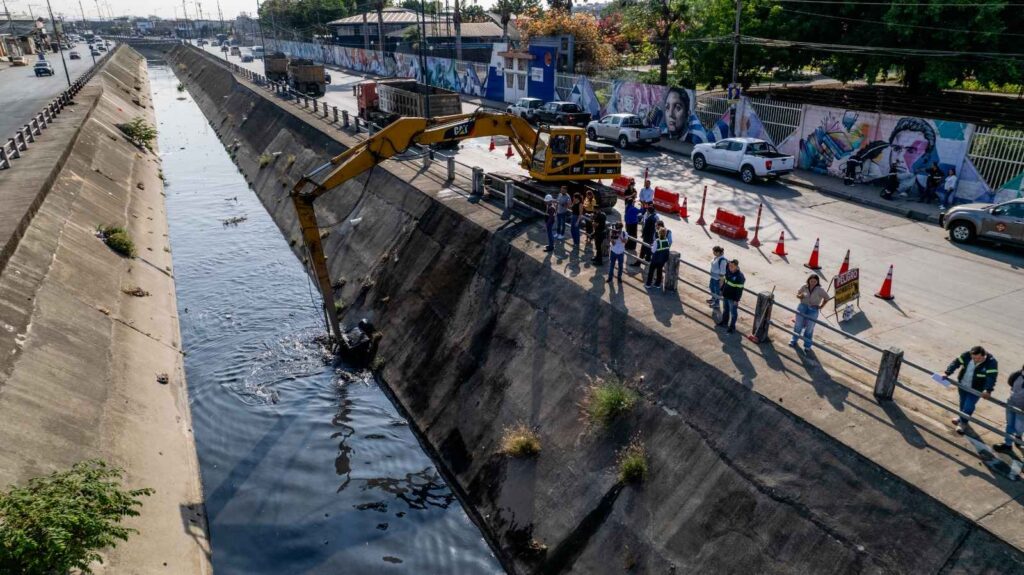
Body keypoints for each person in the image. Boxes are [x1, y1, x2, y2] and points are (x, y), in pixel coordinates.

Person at [943, 346, 999, 435]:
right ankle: (961, 418)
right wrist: (947, 373)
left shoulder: (991, 362)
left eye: (979, 358)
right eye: (974, 358)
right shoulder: (966, 355)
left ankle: (963, 423)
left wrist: (988, 390)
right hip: (963, 384)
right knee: (962, 402)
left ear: (984, 355)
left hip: (976, 389)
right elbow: (956, 363)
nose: (976, 360)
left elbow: (991, 377)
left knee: (969, 405)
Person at [888, 117, 938, 198]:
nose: (899, 159)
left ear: (926, 158)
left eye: (911, 151)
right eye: (896, 148)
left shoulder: (922, 193)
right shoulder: (877, 182)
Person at [790, 275, 830, 352]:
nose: (813, 283)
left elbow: (827, 298)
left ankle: (807, 345)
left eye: (815, 281)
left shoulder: (820, 290)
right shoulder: (804, 286)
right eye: (811, 281)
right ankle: (794, 340)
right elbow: (798, 294)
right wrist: (800, 296)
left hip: (813, 309)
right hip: (802, 307)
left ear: (817, 282)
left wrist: (821, 306)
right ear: (808, 280)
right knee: (798, 325)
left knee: (809, 328)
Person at [994, 365, 1024, 454]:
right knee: (1010, 424)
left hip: (1022, 410)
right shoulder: (1016, 375)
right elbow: (1010, 383)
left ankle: (1018, 436)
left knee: (1019, 427)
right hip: (1011, 403)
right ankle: (1008, 444)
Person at [718, 259, 745, 333]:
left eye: (732, 266)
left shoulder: (740, 277)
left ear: (736, 266)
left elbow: (739, 290)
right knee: (725, 310)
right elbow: (725, 282)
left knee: (733, 313)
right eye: (729, 266)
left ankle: (732, 327)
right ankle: (724, 322)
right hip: (726, 295)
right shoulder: (728, 271)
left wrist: (737, 300)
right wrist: (721, 290)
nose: (730, 267)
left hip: (732, 299)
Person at [707, 246, 728, 311]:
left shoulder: (722, 260)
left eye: (714, 252)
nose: (713, 253)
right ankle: (713, 299)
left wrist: (721, 282)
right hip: (713, 277)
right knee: (711, 288)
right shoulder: (717, 257)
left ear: (718, 252)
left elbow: (722, 272)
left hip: (717, 279)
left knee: (717, 292)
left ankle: (717, 303)